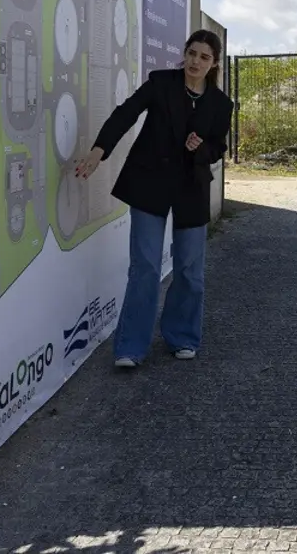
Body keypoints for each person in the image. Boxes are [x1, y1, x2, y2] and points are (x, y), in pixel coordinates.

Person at [75, 29, 233, 368]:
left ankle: (182, 337)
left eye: (204, 57)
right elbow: (126, 113)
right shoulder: (161, 83)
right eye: (191, 53)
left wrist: (200, 148)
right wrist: (99, 150)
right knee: (145, 266)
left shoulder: (221, 104)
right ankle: (130, 348)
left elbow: (218, 148)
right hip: (149, 182)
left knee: (189, 269)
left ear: (214, 64)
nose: (195, 61)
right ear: (185, 53)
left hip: (191, 187)